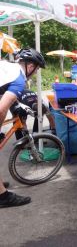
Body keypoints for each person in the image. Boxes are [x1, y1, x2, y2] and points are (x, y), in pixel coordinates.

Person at [0, 48, 46, 208]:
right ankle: (3, 197)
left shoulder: (7, 67)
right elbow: (1, 109)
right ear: (31, 65)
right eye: (36, 69)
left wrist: (18, 105)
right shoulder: (19, 79)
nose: (34, 73)